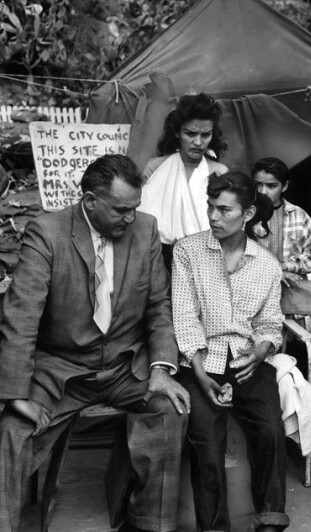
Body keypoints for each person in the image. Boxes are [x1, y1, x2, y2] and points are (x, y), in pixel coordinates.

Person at [0, 154, 190, 532]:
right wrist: (15, 392)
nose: (130, 218)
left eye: (134, 208)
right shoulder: (47, 232)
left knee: (169, 409)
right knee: (12, 432)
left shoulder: (146, 230)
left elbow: (158, 306)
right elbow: (22, 316)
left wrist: (161, 368)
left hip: (125, 365)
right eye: (121, 210)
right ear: (90, 200)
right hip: (61, 370)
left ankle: (149, 524)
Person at [172, 171, 289, 532]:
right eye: (210, 207)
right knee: (206, 441)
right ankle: (214, 528)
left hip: (247, 364)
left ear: (248, 213)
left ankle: (269, 521)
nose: (213, 216)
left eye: (224, 210)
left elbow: (271, 324)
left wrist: (262, 351)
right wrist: (202, 372)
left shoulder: (267, 265)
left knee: (270, 430)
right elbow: (185, 318)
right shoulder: (188, 251)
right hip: (200, 362)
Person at [139, 93, 228, 268]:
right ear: (177, 132)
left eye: (205, 135)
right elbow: (141, 218)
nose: (198, 142)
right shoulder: (155, 168)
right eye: (190, 133)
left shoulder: (219, 172)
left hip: (206, 262)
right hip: (158, 260)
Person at [252, 157, 311, 287]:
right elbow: (236, 257)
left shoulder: (299, 215)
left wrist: (284, 266)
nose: (262, 191)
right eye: (257, 184)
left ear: (284, 186)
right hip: (255, 288)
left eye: (271, 186)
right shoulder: (245, 214)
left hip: (292, 290)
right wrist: (275, 273)